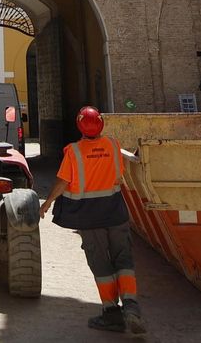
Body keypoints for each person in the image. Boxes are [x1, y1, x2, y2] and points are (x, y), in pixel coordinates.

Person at [39, 106, 145, 335]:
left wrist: (47, 203)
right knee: (123, 259)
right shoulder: (113, 146)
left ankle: (111, 313)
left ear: (79, 126)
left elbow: (63, 182)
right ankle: (132, 308)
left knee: (101, 264)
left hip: (89, 217)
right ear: (101, 124)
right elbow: (120, 173)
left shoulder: (74, 152)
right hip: (116, 212)